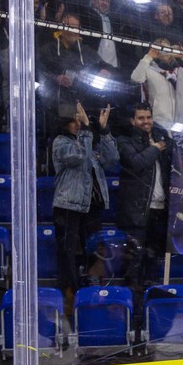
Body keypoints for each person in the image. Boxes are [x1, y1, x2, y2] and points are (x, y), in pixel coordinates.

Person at [52, 102, 117, 312]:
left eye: (81, 120)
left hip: (91, 206)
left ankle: (93, 291)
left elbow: (112, 158)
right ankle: (70, 294)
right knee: (68, 252)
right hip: (68, 205)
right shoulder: (61, 142)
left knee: (94, 250)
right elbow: (77, 156)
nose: (79, 124)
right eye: (75, 120)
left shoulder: (88, 142)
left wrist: (104, 130)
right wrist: (87, 130)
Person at [117, 102, 174, 310]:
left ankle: (153, 310)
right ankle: (134, 312)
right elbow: (135, 163)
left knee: (154, 262)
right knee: (134, 264)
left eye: (148, 117)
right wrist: (155, 148)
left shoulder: (162, 139)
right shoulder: (125, 141)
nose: (146, 122)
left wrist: (165, 142)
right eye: (141, 118)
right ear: (133, 121)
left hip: (160, 212)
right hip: (136, 214)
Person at [130, 38, 183, 129]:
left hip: (179, 122)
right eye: (160, 48)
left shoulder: (178, 72)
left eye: (168, 48)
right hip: (157, 122)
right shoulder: (148, 70)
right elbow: (135, 78)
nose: (164, 51)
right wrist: (148, 57)